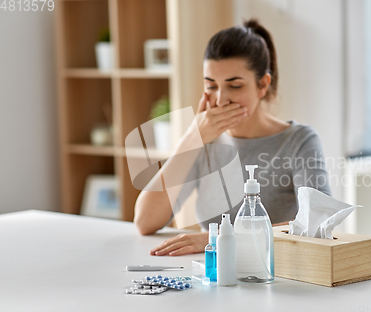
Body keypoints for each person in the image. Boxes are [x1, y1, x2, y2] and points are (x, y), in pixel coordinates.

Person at [134, 19, 331, 256]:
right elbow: (145, 221)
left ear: (262, 85)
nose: (220, 100)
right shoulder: (203, 142)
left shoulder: (299, 141)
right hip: (215, 277)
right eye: (211, 86)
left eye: (234, 86)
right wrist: (192, 139)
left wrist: (215, 238)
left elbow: (317, 225)